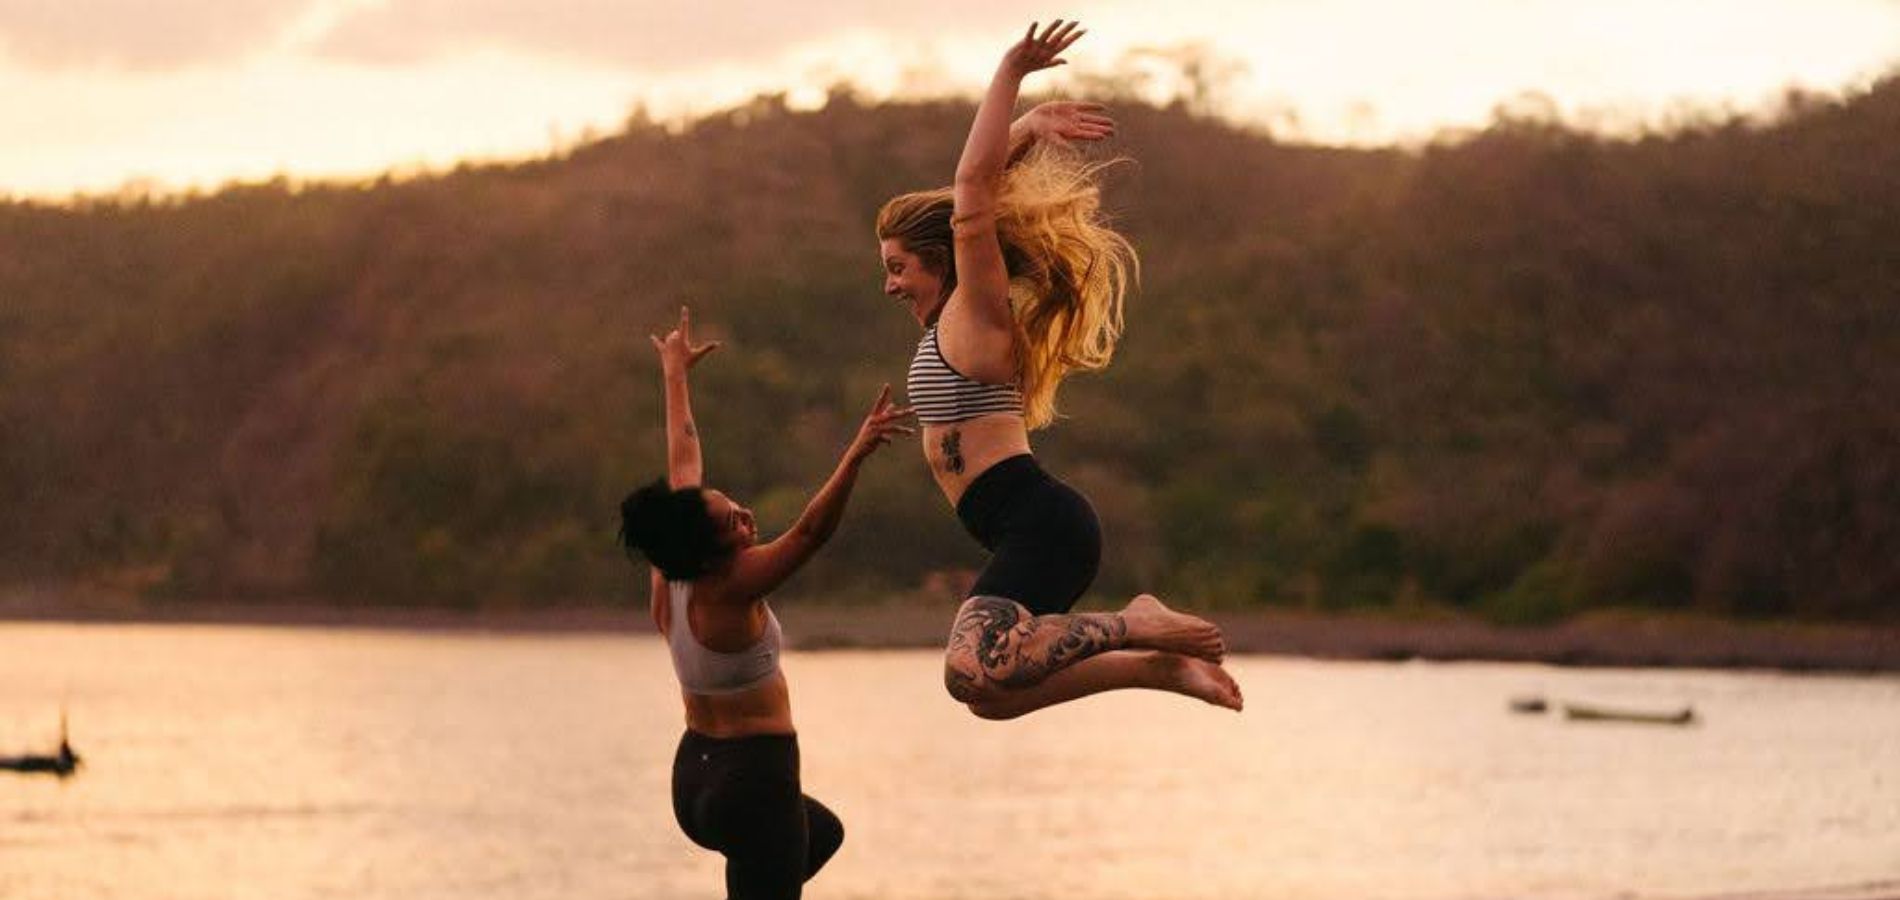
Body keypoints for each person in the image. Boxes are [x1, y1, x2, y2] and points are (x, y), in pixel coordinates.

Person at [876, 21, 1244, 720]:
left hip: (1041, 522)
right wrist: (1028, 131)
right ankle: (1154, 666)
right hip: (1016, 524)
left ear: (943, 260)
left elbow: (972, 191)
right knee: (990, 697)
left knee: (970, 667)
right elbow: (975, 193)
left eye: (898, 267)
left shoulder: (976, 312)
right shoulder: (945, 329)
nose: (890, 285)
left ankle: (1136, 622)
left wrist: (1012, 78)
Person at [619, 306, 912, 900]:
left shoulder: (670, 570)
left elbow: (683, 460)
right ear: (713, 553)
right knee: (783, 846)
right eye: (735, 522)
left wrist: (675, 374)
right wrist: (856, 454)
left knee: (821, 834)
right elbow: (809, 534)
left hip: (694, 778)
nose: (747, 517)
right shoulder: (733, 584)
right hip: (755, 776)